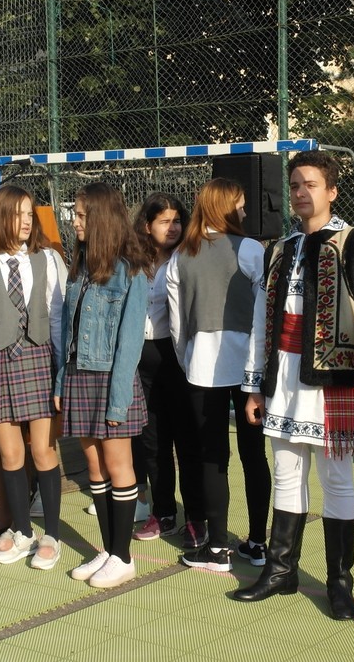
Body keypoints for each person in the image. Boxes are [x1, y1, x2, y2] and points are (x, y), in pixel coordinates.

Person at [233, 150, 354, 621]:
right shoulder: (278, 249)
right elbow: (260, 320)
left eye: (310, 184)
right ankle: (281, 571)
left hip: (334, 376)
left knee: (336, 479)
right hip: (283, 374)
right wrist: (254, 385)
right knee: (287, 472)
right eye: (294, 185)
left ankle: (339, 582)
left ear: (332, 191)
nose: (300, 193)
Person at [166, 178, 271, 573]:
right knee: (253, 454)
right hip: (248, 368)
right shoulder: (251, 250)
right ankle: (257, 543)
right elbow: (264, 312)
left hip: (201, 367)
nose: (244, 211)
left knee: (212, 457)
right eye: (240, 204)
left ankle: (216, 548)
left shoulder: (181, 255)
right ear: (225, 207)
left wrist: (188, 358)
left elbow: (177, 323)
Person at [0, 185, 66, 569]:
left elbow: (56, 317)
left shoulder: (46, 258)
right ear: (2, 217)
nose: (26, 221)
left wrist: (62, 372)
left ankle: (51, 534)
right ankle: (22, 531)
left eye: (29, 214)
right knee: (9, 453)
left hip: (39, 360)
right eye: (18, 213)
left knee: (42, 451)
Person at [56, 182, 151, 588]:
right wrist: (61, 381)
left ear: (100, 219)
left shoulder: (130, 271)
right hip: (79, 375)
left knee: (118, 465)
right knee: (94, 466)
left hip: (112, 380)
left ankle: (123, 556)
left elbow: (130, 344)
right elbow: (67, 331)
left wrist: (118, 402)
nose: (74, 222)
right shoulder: (79, 267)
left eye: (81, 215)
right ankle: (110, 550)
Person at [130, 193, 201, 543]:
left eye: (176, 221)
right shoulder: (134, 263)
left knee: (186, 442)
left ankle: (196, 518)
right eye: (164, 221)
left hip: (177, 359)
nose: (172, 228)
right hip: (141, 361)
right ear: (147, 226)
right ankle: (163, 512)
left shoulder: (188, 258)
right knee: (153, 442)